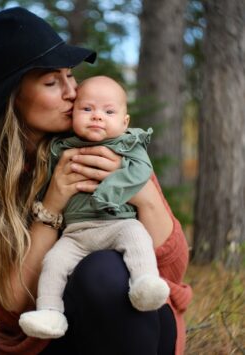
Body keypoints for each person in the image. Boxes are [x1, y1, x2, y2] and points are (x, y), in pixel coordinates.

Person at [0, 7, 192, 355]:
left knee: (103, 271)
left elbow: (172, 270)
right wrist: (52, 205)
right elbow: (7, 306)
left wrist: (143, 194)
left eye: (70, 76)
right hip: (47, 338)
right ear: (11, 98)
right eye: (51, 82)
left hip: (139, 324)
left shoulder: (108, 139)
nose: (72, 92)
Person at [19, 76, 170, 339]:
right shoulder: (61, 147)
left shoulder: (128, 144)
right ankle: (50, 311)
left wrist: (112, 186)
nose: (97, 117)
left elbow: (142, 172)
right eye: (87, 109)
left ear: (125, 122)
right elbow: (43, 182)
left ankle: (144, 283)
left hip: (117, 224)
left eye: (108, 112)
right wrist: (49, 201)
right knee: (54, 261)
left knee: (137, 235)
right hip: (76, 232)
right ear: (73, 113)